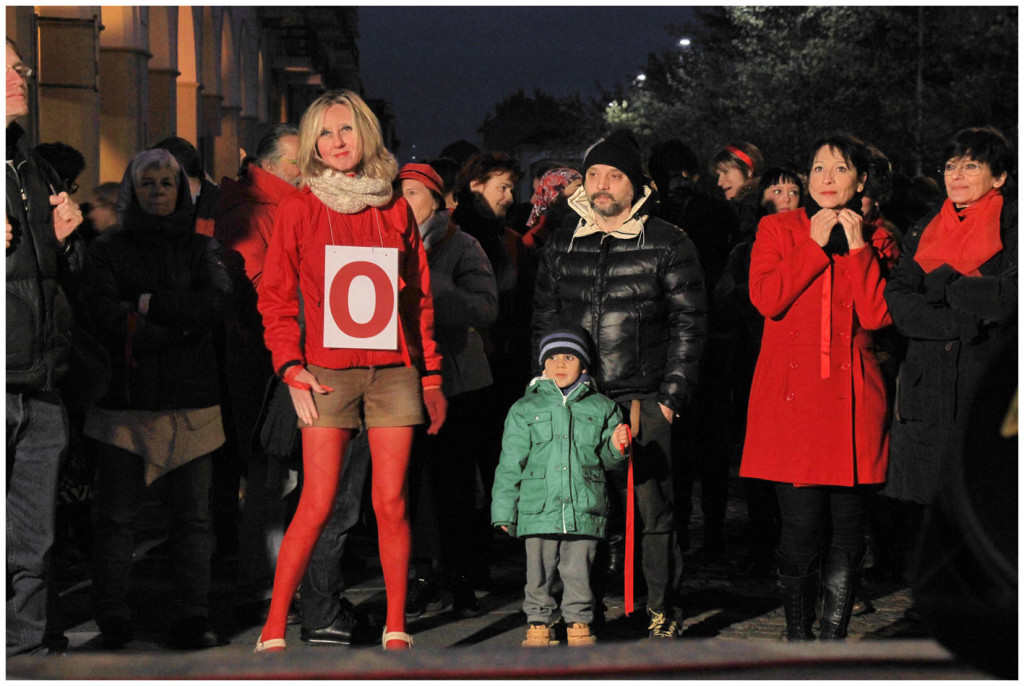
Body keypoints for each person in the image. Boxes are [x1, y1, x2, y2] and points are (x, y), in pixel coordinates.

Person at [254, 90, 446, 653]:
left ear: (365, 132)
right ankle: (274, 625)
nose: (336, 143)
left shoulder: (394, 206)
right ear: (313, 143)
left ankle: (395, 624)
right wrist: (290, 365)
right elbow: (276, 298)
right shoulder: (298, 207)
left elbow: (420, 302)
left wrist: (431, 377)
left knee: (390, 502)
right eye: (324, 133)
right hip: (326, 373)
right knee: (317, 500)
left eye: (345, 130)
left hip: (393, 373)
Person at [533, 128, 707, 639]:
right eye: (594, 175)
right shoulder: (562, 242)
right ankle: (588, 610)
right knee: (583, 510)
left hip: (645, 397)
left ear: (636, 185)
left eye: (614, 175)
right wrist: (549, 388)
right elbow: (544, 319)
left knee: (654, 512)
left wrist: (671, 399)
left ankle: (660, 608)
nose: (603, 185)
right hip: (578, 400)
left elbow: (690, 324)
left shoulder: (669, 241)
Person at [738, 133, 896, 641]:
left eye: (841, 169)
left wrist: (857, 251)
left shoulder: (877, 237)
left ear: (862, 179)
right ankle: (797, 633)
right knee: (802, 528)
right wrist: (811, 244)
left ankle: (832, 640)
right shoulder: (777, 228)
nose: (827, 179)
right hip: (792, 401)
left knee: (849, 529)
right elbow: (767, 298)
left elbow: (877, 315)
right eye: (818, 168)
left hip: (853, 401)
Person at [79, 148, 231, 650]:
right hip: (125, 404)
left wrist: (148, 307)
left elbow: (215, 305)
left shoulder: (202, 246)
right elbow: (102, 314)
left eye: (168, 183)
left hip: (192, 402)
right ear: (132, 190)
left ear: (181, 191)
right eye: (148, 184)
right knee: (116, 521)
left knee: (193, 520)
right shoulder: (106, 249)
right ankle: (113, 617)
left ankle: (192, 613)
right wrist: (177, 325)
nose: (159, 192)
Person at [883, 126, 1017, 511]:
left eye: (971, 165)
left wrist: (943, 285)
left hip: (987, 376)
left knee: (986, 499)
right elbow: (898, 299)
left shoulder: (1014, 224)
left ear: (1000, 176)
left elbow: (1009, 297)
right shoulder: (924, 227)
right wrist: (958, 321)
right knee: (929, 505)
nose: (956, 175)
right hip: (927, 384)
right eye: (950, 166)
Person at [6, 37, 83, 657]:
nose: (19, 73)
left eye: (19, 63)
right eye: (3, 66)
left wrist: (64, 241)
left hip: (41, 381)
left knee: (34, 541)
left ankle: (23, 655)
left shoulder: (32, 168)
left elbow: (54, 280)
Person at [213, 123, 309, 622]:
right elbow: (254, 289)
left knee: (278, 474)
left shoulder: (275, 204)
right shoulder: (255, 211)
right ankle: (267, 585)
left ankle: (276, 579)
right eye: (299, 162)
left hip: (270, 357)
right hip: (267, 361)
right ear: (270, 165)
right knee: (273, 474)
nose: (307, 170)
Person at [398, 162, 498, 619]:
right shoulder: (386, 243)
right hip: (401, 383)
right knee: (408, 486)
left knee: (455, 486)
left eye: (415, 193)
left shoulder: (463, 245)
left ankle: (462, 578)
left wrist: (430, 289)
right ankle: (420, 576)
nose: (405, 201)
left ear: (438, 201)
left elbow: (485, 308)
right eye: (399, 192)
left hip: (457, 383)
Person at [492, 326, 629, 647]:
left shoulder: (602, 407)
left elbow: (610, 462)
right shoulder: (524, 408)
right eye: (552, 358)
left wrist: (618, 447)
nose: (560, 364)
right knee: (538, 571)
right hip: (537, 507)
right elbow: (511, 461)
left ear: (584, 364)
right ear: (542, 365)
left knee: (578, 570)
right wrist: (504, 508)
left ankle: (578, 621)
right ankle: (538, 622)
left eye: (569, 357)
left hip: (584, 506)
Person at [709, 141, 765, 243]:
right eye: (718, 175)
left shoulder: (756, 211)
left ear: (748, 171)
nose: (719, 182)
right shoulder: (730, 210)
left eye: (726, 172)